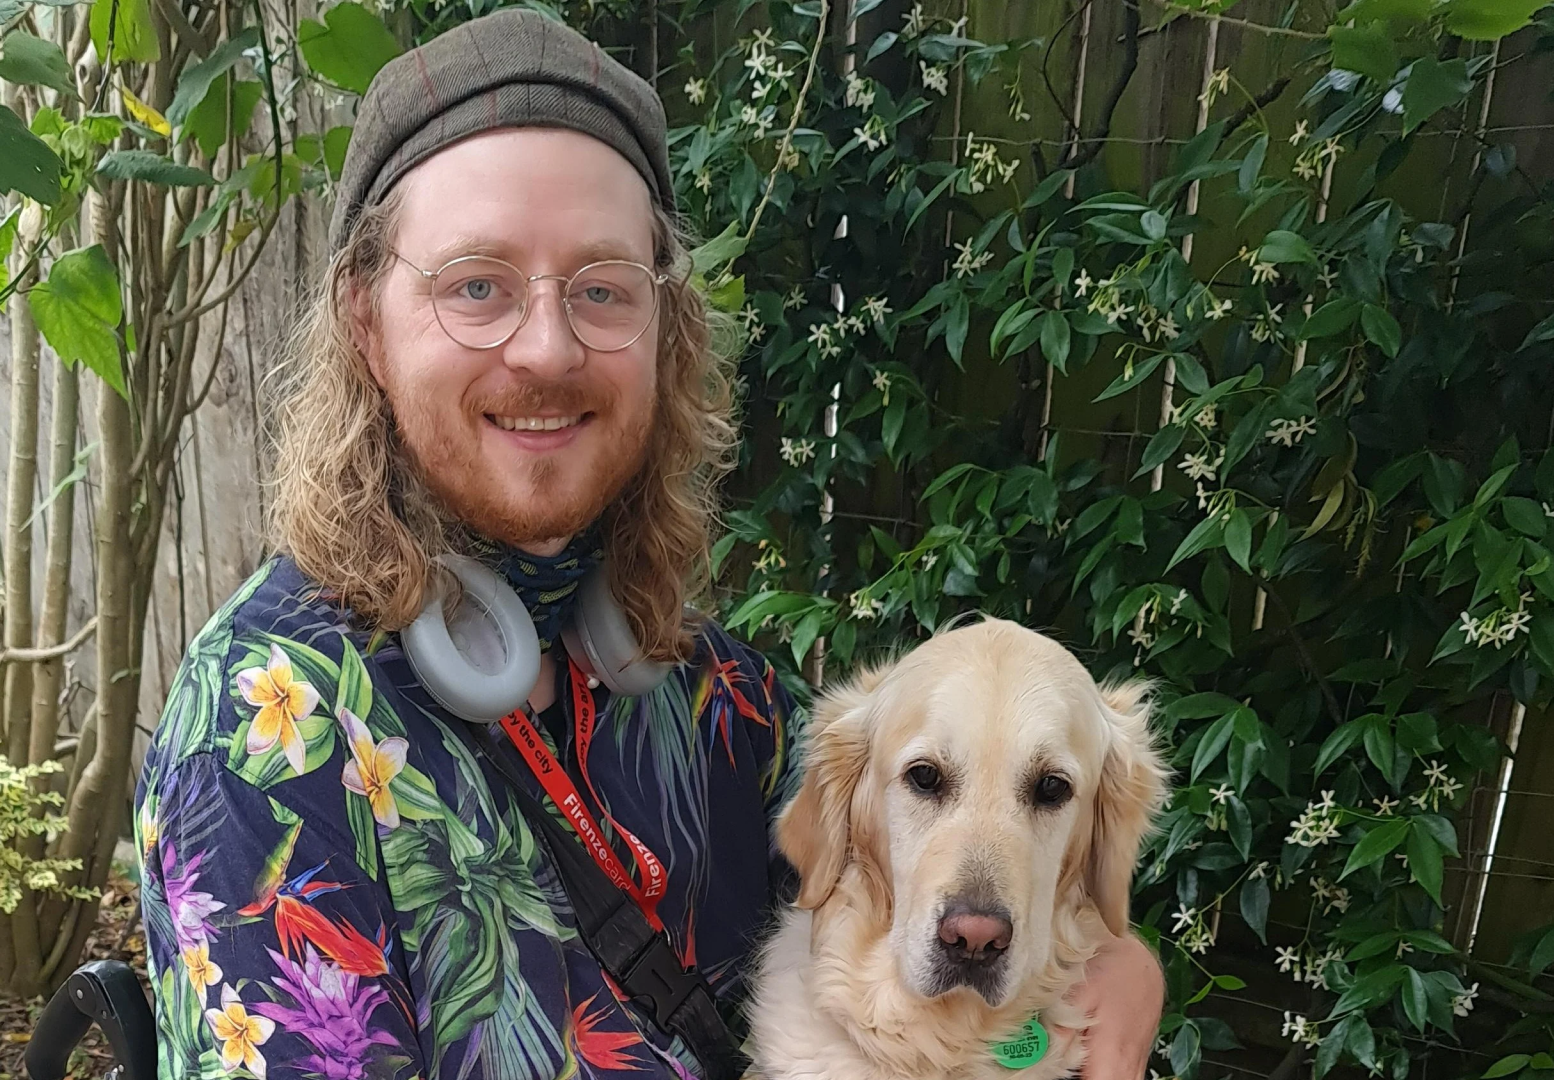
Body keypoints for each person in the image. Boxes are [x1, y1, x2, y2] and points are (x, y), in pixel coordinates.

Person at [132, 10, 1165, 1079]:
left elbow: (949, 892)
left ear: (664, 333)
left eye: (603, 289)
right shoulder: (266, 736)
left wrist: (1120, 971)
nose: (547, 345)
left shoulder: (717, 695)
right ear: (364, 318)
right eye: (475, 285)